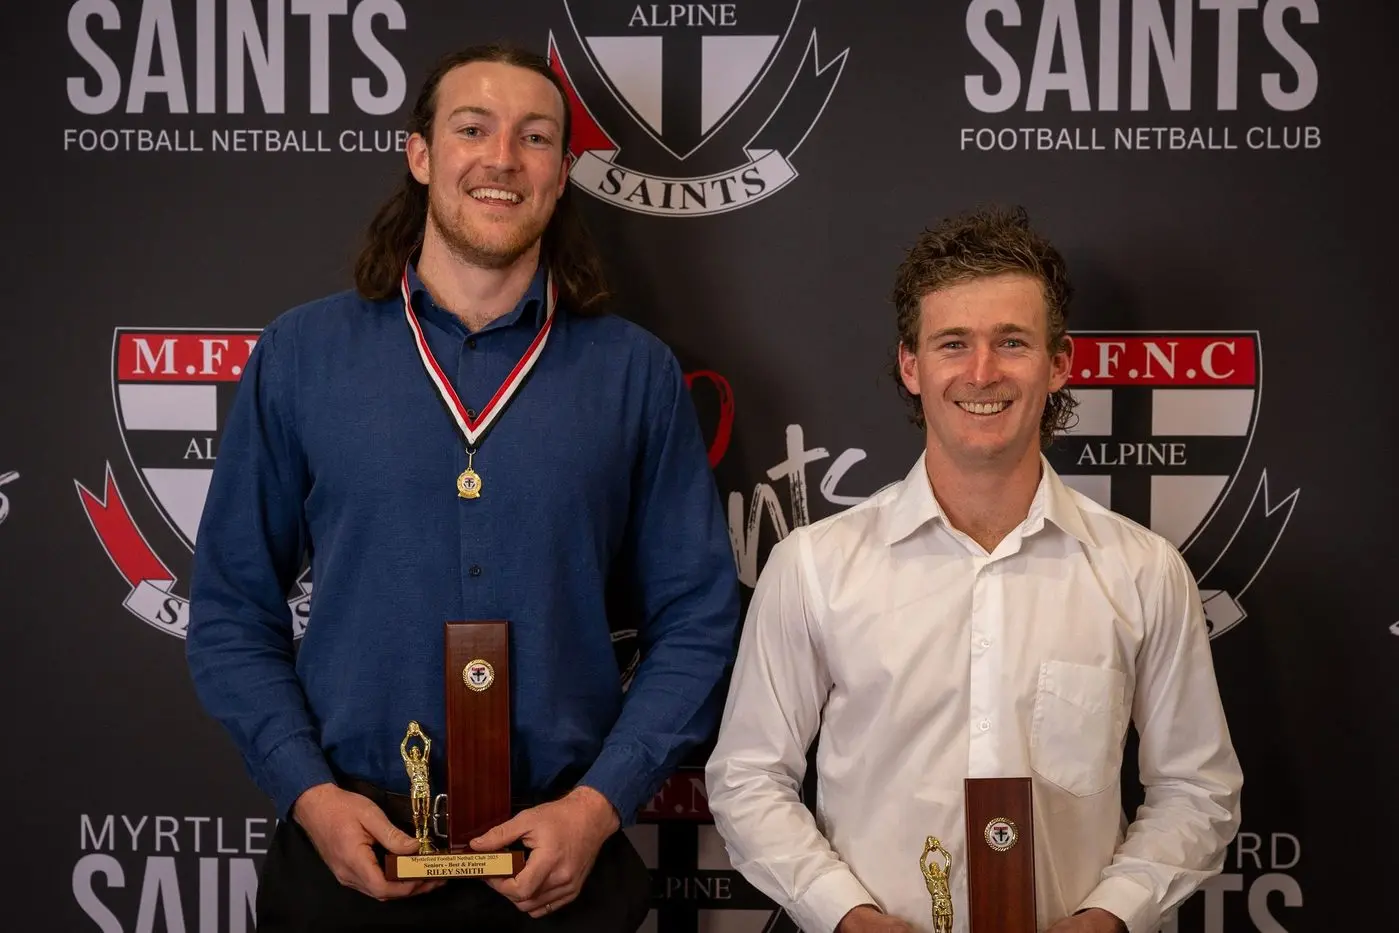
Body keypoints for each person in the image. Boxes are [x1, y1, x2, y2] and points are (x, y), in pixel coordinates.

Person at [186, 42, 740, 933]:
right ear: (420, 155)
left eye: (533, 138)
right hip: (348, 852)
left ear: (561, 174)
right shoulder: (301, 356)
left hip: (560, 855)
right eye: (472, 128)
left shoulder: (633, 373)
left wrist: (600, 805)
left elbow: (699, 619)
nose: (501, 159)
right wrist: (310, 794)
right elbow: (227, 609)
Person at [704, 206, 1243, 933]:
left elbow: (1194, 788)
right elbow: (746, 778)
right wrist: (845, 915)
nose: (981, 372)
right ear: (910, 364)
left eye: (1011, 342)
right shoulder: (815, 567)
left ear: (1058, 364)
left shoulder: (1141, 571)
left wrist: (1110, 916)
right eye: (951, 343)